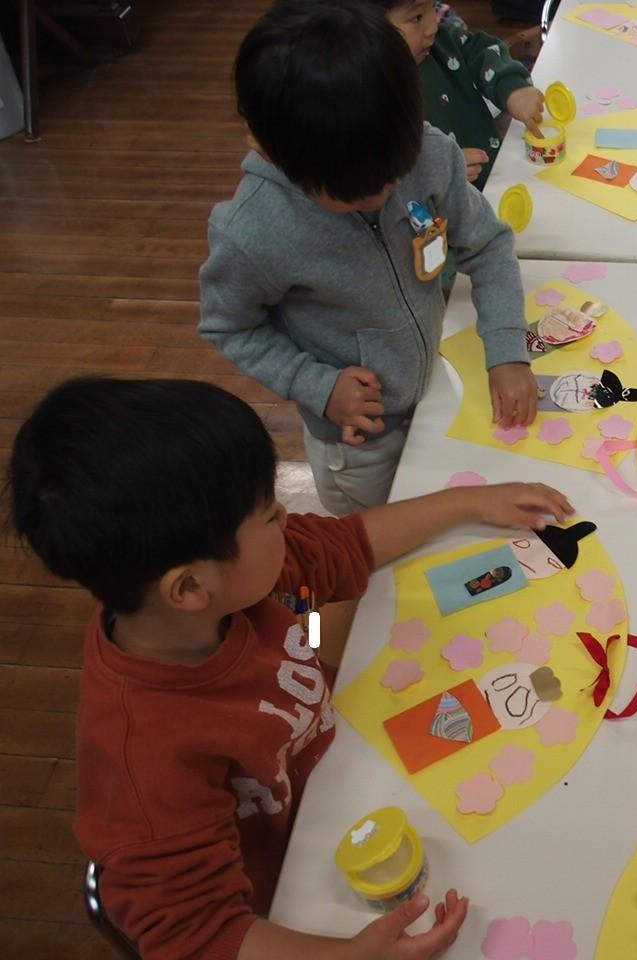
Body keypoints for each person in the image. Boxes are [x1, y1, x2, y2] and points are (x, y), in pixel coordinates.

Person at [6, 376, 574, 960]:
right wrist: (354, 957)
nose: (286, 514)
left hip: (343, 764)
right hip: (295, 885)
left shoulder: (233, 582)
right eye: (267, 516)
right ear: (190, 587)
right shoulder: (142, 763)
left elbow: (346, 547)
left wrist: (470, 502)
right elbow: (202, 937)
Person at [199, 0, 537, 517]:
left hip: (432, 392)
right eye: (356, 193)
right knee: (382, 543)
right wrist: (317, 386)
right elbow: (230, 326)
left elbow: (488, 244)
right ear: (268, 149)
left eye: (395, 174)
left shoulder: (428, 152)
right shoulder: (253, 230)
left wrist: (508, 349)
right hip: (358, 441)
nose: (385, 195)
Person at [376, 0, 545, 189]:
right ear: (370, 26)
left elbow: (481, 50)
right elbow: (380, 175)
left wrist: (513, 88)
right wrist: (436, 170)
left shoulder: (442, 41)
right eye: (417, 17)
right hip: (452, 202)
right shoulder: (368, 93)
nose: (433, 27)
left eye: (433, 7)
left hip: (501, 178)